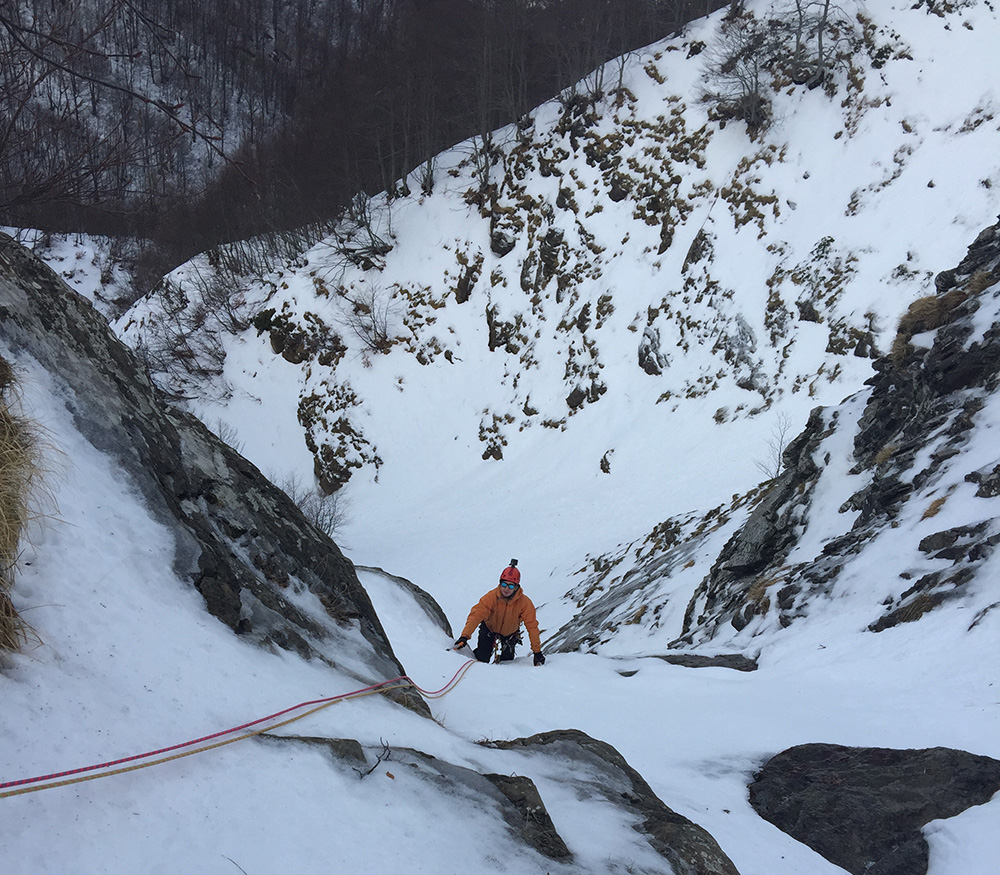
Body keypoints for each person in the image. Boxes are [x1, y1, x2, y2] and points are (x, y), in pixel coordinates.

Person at [453, 559, 545, 666]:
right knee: (482, 658)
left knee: (507, 663)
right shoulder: (491, 597)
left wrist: (537, 652)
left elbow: (532, 626)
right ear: (500, 583)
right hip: (489, 630)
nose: (506, 589)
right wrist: (464, 636)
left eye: (511, 586)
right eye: (504, 584)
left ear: (516, 587)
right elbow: (476, 616)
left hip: (509, 635)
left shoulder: (524, 603)